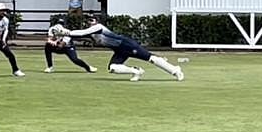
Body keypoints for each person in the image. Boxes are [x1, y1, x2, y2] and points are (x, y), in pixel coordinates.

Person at [57, 14, 185, 82]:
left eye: (92, 20)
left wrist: (65, 32)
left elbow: (80, 33)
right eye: (89, 20)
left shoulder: (99, 27)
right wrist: (62, 36)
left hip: (127, 44)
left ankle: (175, 71)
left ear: (96, 21)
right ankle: (136, 71)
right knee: (113, 68)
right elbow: (81, 34)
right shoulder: (91, 33)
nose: (90, 22)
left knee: (151, 59)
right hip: (119, 50)